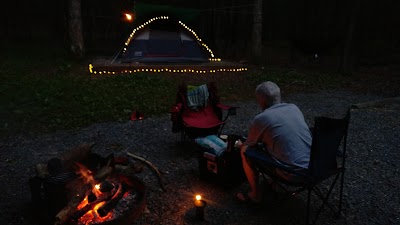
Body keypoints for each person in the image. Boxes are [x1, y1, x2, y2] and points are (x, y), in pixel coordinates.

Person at [235, 81, 312, 203]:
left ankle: (255, 195)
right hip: (315, 168)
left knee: (246, 151)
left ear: (260, 100)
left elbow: (250, 144)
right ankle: (272, 184)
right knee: (274, 144)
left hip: (294, 174)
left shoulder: (262, 118)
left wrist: (239, 145)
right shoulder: (294, 108)